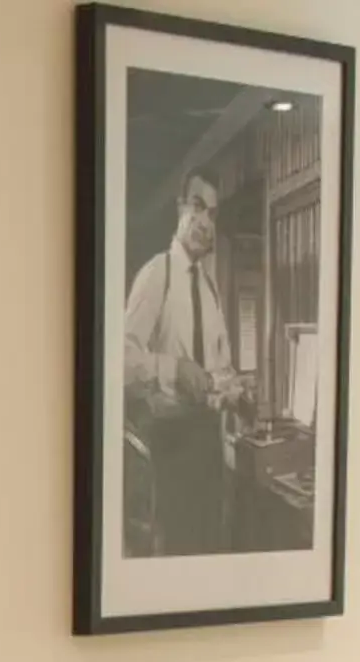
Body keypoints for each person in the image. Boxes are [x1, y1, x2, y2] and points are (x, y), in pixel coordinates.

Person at [122, 173, 242, 556]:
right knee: (175, 554)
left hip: (208, 443)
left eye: (213, 213)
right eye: (197, 206)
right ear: (180, 208)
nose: (206, 222)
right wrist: (174, 369)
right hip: (168, 447)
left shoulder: (210, 289)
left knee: (208, 548)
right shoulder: (157, 274)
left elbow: (219, 365)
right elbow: (119, 361)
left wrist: (233, 388)